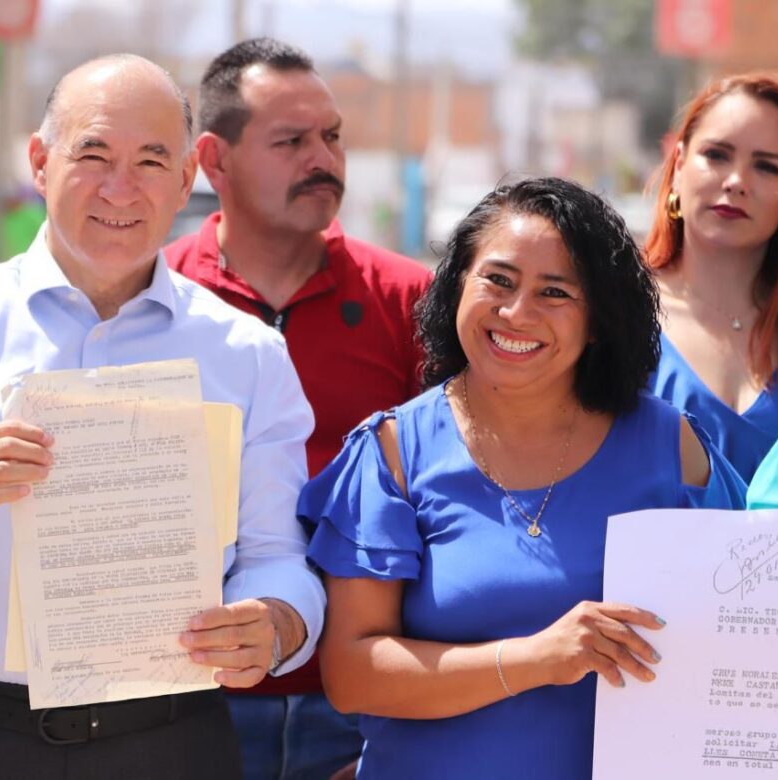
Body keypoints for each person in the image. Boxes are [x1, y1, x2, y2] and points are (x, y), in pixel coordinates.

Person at [0, 54, 325, 779]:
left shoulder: (247, 354)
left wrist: (275, 623)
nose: (120, 187)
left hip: (171, 742)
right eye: (93, 155)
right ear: (40, 163)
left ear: (185, 181)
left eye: (151, 161)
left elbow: (277, 556)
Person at [300, 178, 746, 779]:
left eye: (555, 292)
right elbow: (352, 675)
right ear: (457, 285)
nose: (516, 312)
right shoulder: (392, 452)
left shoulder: (674, 447)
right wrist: (537, 659)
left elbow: (742, 630)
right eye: (498, 280)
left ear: (598, 320)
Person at [164, 37, 431, 780]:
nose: (324, 159)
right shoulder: (154, 302)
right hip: (188, 698)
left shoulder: (410, 302)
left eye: (332, 137)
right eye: (291, 142)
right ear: (214, 161)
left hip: (361, 702)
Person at [645, 73, 778, 483]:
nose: (737, 181)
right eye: (717, 155)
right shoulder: (614, 313)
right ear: (679, 165)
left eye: (767, 166)